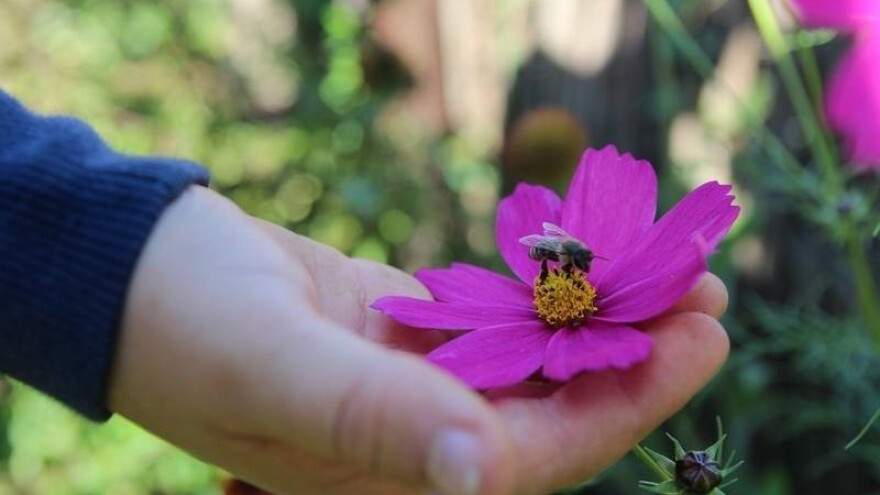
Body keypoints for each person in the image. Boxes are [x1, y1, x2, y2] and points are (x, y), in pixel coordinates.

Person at [0, 90, 730, 495]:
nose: (558, 283)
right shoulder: (542, 300)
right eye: (555, 280)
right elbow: (443, 302)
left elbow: (667, 253)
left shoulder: (585, 291)